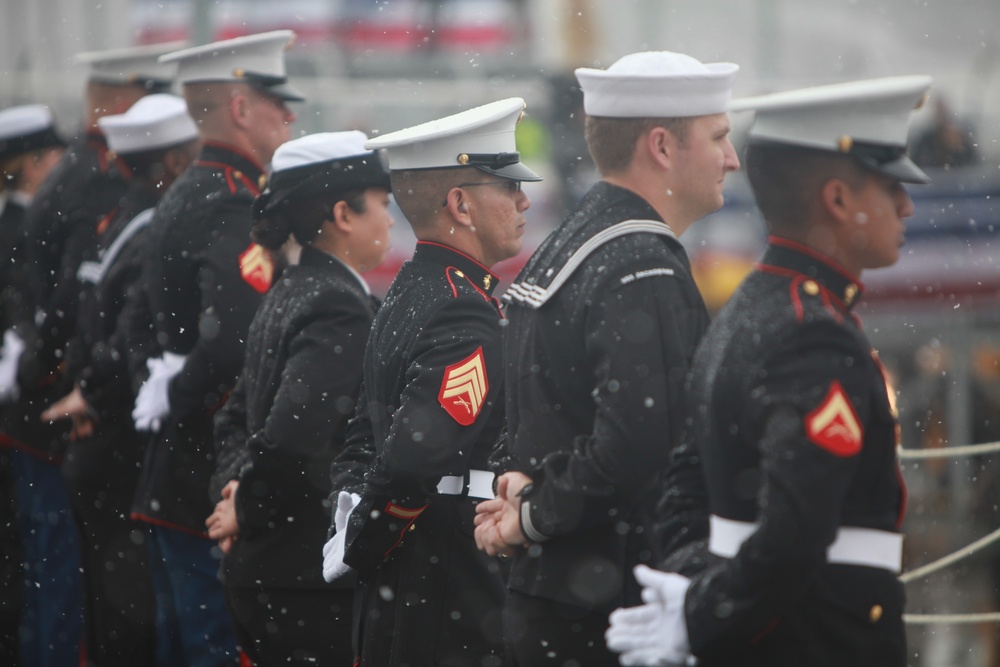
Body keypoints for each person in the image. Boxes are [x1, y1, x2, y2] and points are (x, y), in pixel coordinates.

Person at [605, 75, 932, 667]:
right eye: (892, 188)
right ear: (837, 200)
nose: (907, 205)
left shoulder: (750, 308)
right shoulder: (814, 331)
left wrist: (698, 587)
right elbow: (796, 530)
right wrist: (703, 615)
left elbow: (684, 488)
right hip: (823, 636)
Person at [472, 51, 741, 665]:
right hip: (615, 607)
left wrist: (527, 487)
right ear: (662, 147)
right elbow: (642, 444)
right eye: (720, 137)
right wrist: (535, 512)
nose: (732, 158)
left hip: (560, 599)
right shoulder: (640, 265)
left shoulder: (570, 243)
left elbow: (541, 412)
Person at [324, 97, 541, 666]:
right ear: (461, 205)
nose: (524, 200)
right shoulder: (461, 309)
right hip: (449, 581)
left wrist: (355, 535)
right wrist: (367, 542)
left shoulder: (415, 288)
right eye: (508, 187)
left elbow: (362, 440)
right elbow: (413, 458)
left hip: (413, 579)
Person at [128, 31, 302, 666]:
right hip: (211, 474)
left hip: (176, 468)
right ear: (238, 108)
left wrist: (163, 380)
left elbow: (138, 324)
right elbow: (232, 344)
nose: (290, 116)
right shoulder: (233, 199)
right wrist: (178, 386)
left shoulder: (185, 191)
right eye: (276, 102)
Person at [2, 44, 176, 667]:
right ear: (122, 106)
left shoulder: (79, 173)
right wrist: (67, 383)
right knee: (74, 585)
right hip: (65, 416)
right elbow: (73, 304)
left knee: (61, 578)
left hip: (52, 405)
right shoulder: (95, 182)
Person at [205, 131, 393, 665]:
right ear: (343, 214)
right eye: (381, 205)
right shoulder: (338, 304)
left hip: (269, 567)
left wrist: (235, 489)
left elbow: (235, 418)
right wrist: (244, 505)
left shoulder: (294, 287)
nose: (390, 220)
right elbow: (295, 434)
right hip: (301, 574)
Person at [40, 93, 200, 667]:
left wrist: (81, 386)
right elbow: (131, 328)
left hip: (98, 436)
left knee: (108, 607)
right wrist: (95, 392)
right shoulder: (153, 227)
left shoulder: (117, 221)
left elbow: (83, 319)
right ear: (176, 164)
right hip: (122, 442)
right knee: (134, 610)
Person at [0, 103, 66, 667]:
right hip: (31, 421)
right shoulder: (28, 232)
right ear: (32, 164)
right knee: (43, 567)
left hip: (17, 419)